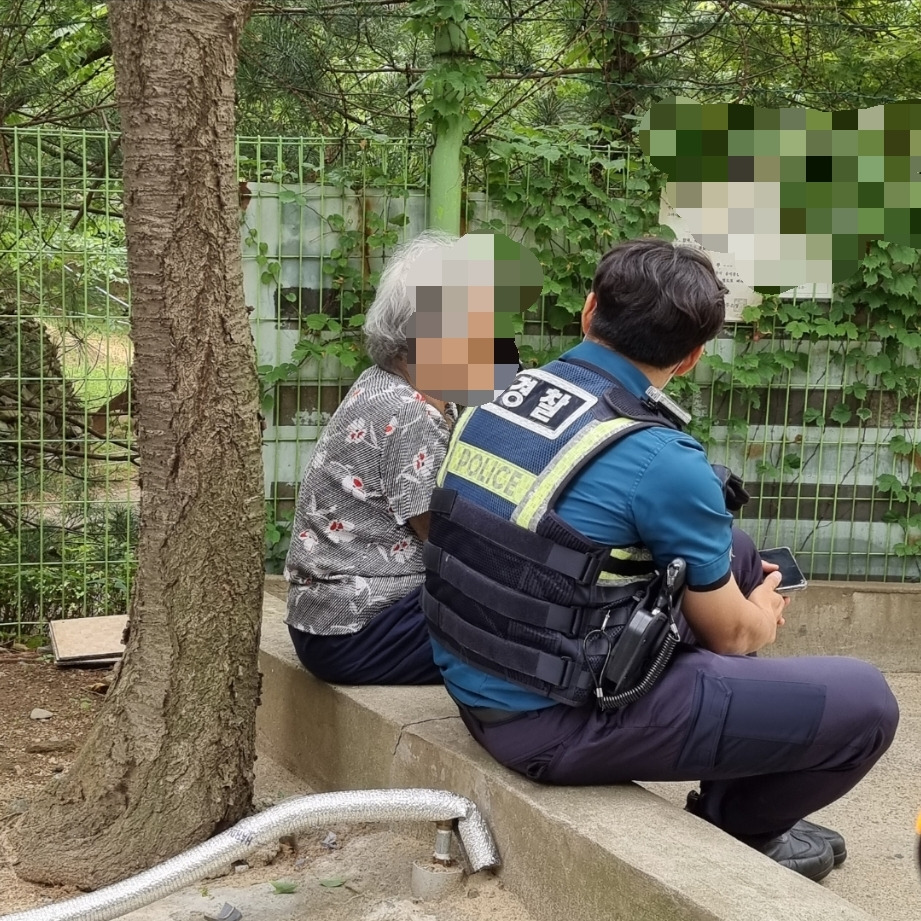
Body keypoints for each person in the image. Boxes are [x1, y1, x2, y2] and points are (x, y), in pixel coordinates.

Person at [421, 238, 899, 882]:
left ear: (590, 310)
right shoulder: (662, 457)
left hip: (476, 677)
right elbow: (732, 636)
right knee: (867, 704)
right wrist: (762, 614)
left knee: (737, 554)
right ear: (693, 355)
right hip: (551, 723)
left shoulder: (498, 394)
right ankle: (741, 828)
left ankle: (735, 772)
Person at [283, 230, 458, 685]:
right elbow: (442, 537)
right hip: (360, 630)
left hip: (330, 621)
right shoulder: (411, 410)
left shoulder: (382, 382)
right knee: (518, 632)